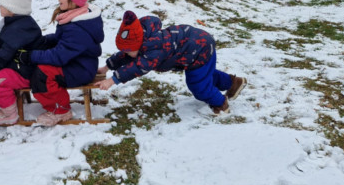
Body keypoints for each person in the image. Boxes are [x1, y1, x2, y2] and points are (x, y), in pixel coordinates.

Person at [0, 0, 104, 126]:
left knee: (43, 74)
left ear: (74, 0)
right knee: (41, 68)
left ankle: (61, 110)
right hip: (77, 63)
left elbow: (59, 56)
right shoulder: (74, 18)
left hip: (80, 69)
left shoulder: (77, 29)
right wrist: (41, 41)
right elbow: (60, 40)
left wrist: (30, 56)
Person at [95, 10, 247, 115]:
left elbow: (138, 67)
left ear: (137, 44)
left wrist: (112, 80)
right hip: (198, 44)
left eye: (128, 50)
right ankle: (234, 83)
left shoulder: (154, 48)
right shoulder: (142, 41)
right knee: (206, 75)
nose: (126, 53)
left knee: (198, 84)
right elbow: (126, 56)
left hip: (199, 50)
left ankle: (220, 104)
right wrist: (106, 67)